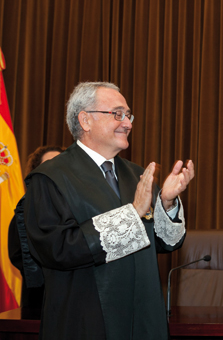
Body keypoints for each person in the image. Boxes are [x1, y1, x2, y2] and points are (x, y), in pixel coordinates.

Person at [19, 82, 194, 339]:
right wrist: (132, 213)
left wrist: (166, 203)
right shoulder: (49, 178)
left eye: (128, 115)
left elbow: (165, 243)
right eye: (117, 114)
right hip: (84, 322)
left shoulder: (137, 174)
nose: (128, 123)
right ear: (85, 120)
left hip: (142, 319)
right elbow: (55, 250)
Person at [8, 145, 64, 312]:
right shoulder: (25, 210)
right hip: (39, 303)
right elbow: (17, 255)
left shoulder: (82, 207)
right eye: (49, 164)